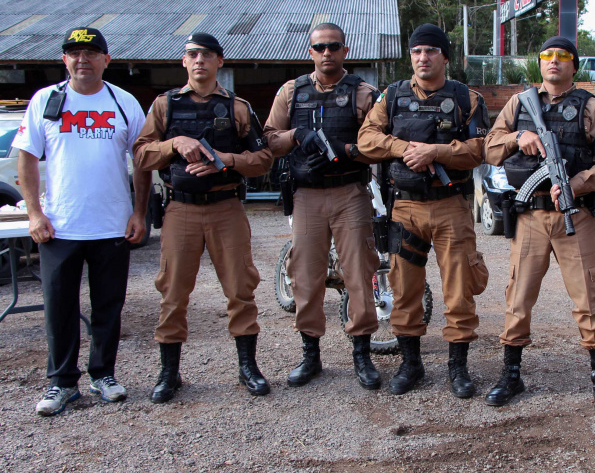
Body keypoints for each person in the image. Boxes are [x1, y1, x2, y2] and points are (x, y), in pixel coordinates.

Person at [482, 36, 595, 412]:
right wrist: (519, 136)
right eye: (547, 56)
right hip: (530, 215)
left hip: (574, 215)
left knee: (590, 297)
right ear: (540, 63)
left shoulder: (590, 106)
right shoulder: (518, 103)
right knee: (518, 297)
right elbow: (490, 148)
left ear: (574, 66)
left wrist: (575, 184)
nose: (554, 62)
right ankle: (511, 374)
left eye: (563, 57)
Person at [14, 27, 151, 416]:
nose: (82, 60)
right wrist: (34, 214)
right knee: (59, 305)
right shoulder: (46, 100)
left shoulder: (123, 102)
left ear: (106, 60)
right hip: (60, 226)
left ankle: (103, 374)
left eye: (91, 53)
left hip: (111, 224)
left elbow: (141, 161)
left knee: (109, 304)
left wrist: (139, 212)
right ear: (64, 60)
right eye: (74, 53)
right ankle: (61, 383)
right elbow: (26, 157)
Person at [134, 33, 274, 403]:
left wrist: (226, 161)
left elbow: (264, 160)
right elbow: (141, 155)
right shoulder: (165, 106)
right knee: (173, 292)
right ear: (184, 62)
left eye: (207, 55)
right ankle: (169, 373)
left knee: (241, 289)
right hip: (180, 209)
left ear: (219, 62)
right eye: (192, 54)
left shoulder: (237, 108)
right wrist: (174, 144)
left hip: (226, 206)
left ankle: (248, 367)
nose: (199, 61)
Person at [357, 23, 490, 398]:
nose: (422, 57)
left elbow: (481, 148)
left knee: (460, 288)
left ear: (444, 56)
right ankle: (410, 364)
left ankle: (457, 367)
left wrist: (438, 152)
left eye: (430, 50)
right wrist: (404, 149)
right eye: (416, 51)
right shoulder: (392, 95)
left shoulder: (467, 97)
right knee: (404, 288)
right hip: (406, 209)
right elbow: (366, 139)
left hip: (451, 207)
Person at [263, 23, 382, 390]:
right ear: (310, 52)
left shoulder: (363, 93)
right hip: (307, 195)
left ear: (344, 50)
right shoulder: (290, 92)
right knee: (305, 275)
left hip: (349, 192)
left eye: (333, 46)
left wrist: (345, 152)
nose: (326, 52)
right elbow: (268, 138)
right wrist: (297, 136)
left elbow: (380, 142)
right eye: (319, 47)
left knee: (360, 273)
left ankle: (362, 352)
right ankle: (310, 353)